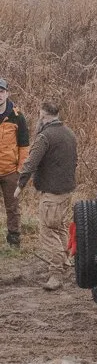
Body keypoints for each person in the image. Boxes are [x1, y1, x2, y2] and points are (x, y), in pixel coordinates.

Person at [17, 99, 76, 290]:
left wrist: (20, 185)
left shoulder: (45, 137)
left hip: (51, 194)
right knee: (59, 228)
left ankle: (56, 273)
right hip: (66, 192)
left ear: (42, 116)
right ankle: (66, 263)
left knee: (47, 233)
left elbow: (30, 162)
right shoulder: (70, 134)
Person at [0, 81, 30, 251]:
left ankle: (14, 240)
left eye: (1, 91)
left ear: (7, 93)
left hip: (10, 171)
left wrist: (20, 170)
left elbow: (24, 146)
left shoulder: (17, 116)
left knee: (12, 207)